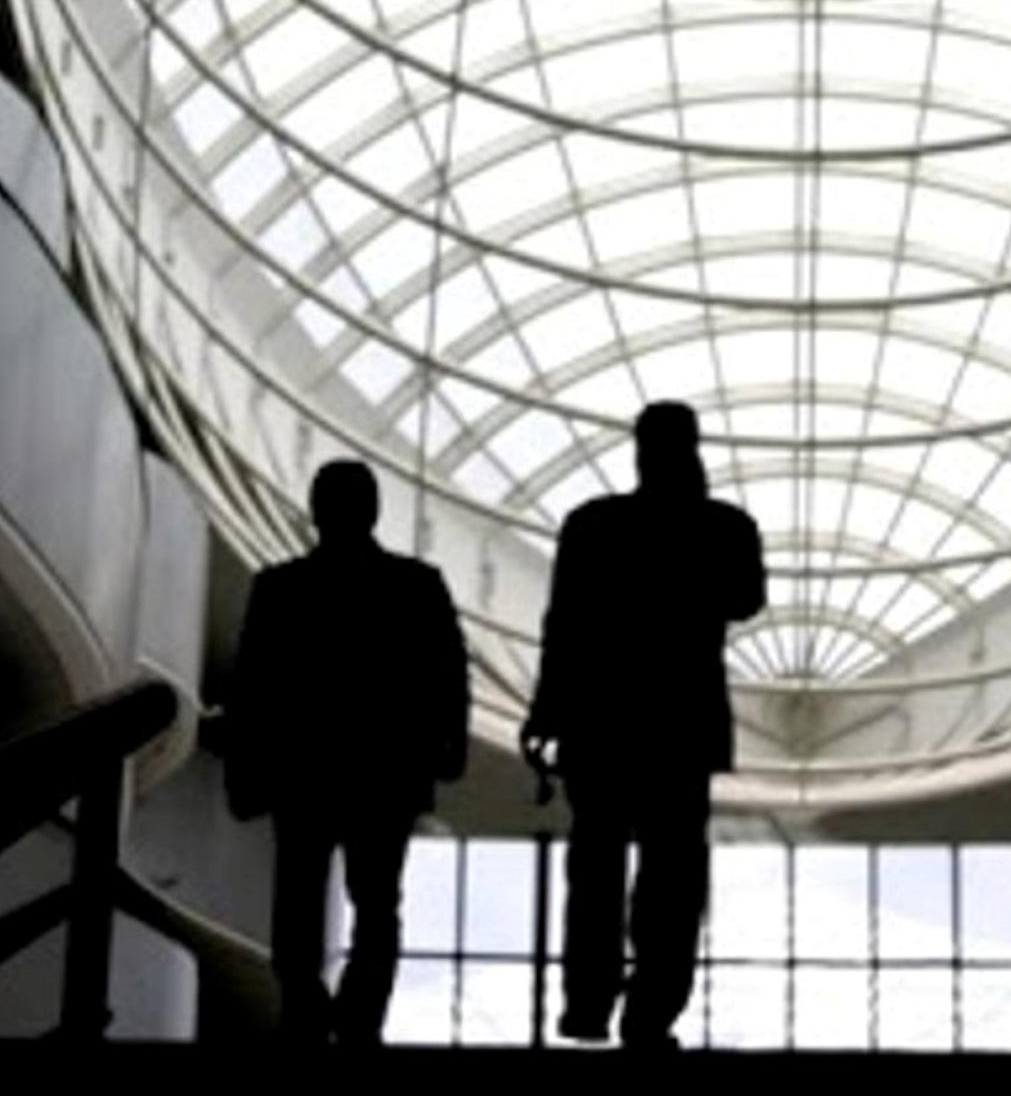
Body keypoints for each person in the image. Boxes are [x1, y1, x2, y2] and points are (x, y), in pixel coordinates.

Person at [521, 402, 766, 1049]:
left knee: (597, 870)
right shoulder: (724, 526)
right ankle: (649, 1011)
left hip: (601, 723)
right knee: (672, 878)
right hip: (681, 725)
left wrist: (547, 710)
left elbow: (562, 627)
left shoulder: (592, 525)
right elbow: (745, 597)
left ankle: (590, 1004)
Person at [218, 457, 469, 1047]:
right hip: (386, 772)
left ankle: (308, 1011)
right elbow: (448, 674)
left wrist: (244, 768)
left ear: (315, 511)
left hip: (304, 770)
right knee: (377, 903)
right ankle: (358, 1022)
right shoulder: (417, 584)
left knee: (300, 898)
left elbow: (252, 687)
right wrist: (446, 745)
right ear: (374, 510)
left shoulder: (279, 588)